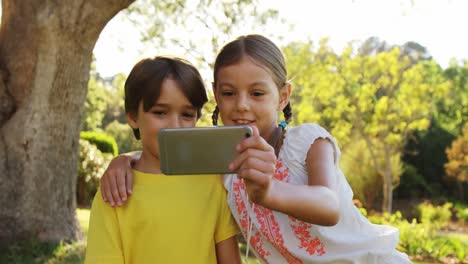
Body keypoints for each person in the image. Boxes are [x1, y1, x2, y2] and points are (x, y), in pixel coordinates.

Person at [99, 35, 411, 263]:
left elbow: (329, 206)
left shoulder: (308, 142)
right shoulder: (223, 161)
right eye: (229, 92)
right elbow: (167, 146)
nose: (242, 105)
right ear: (216, 97)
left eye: (258, 92)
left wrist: (268, 192)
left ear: (283, 96)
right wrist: (124, 159)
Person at [85, 56, 241, 264]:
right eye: (160, 112)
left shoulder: (213, 182)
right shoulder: (115, 191)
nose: (174, 125)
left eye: (187, 114)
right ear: (132, 116)